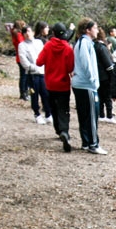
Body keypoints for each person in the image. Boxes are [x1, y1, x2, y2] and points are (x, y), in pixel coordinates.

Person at [36, 22, 75, 152]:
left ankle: (59, 131)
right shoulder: (68, 48)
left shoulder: (48, 46)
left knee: (53, 107)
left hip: (50, 83)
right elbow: (70, 68)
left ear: (53, 33)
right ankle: (65, 130)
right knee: (64, 108)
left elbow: (39, 62)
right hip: (63, 83)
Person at [72, 18, 107, 155]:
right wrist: (93, 80)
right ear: (87, 30)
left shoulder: (85, 43)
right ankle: (93, 143)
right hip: (86, 85)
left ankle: (86, 142)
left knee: (85, 114)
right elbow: (86, 63)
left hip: (82, 84)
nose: (97, 30)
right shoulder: (84, 43)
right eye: (95, 28)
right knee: (92, 115)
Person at [18, 26, 51, 125]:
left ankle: (48, 114)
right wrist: (32, 68)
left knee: (45, 94)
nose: (28, 34)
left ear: (32, 32)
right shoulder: (22, 45)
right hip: (32, 74)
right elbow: (23, 60)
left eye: (29, 31)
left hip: (43, 72)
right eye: (25, 33)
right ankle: (37, 114)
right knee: (34, 94)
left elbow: (44, 54)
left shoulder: (39, 42)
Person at [94, 27, 116, 124]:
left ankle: (101, 114)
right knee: (107, 96)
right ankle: (109, 115)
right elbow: (108, 64)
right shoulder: (102, 47)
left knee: (100, 95)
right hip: (105, 75)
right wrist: (112, 73)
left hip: (97, 75)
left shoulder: (93, 46)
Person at [7, 20, 29, 100]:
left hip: (19, 58)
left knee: (24, 76)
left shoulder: (15, 34)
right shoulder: (18, 35)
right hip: (21, 58)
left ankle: (24, 92)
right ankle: (23, 93)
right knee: (24, 76)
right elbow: (22, 43)